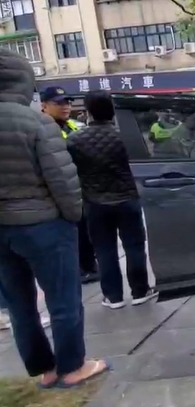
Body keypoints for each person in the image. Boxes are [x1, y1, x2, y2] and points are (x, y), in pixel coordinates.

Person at [0, 50, 109, 387]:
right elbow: (61, 179)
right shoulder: (36, 122)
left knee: (19, 306)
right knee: (62, 300)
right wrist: (73, 217)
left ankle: (45, 371)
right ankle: (73, 367)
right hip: (44, 224)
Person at [67, 90, 158, 310]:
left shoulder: (74, 139)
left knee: (104, 249)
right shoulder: (126, 136)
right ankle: (140, 290)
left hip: (94, 203)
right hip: (127, 199)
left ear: (88, 112)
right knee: (134, 247)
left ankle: (113, 296)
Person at [40, 87, 99, 285]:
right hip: (57, 190)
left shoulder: (75, 125)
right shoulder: (39, 129)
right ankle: (79, 268)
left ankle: (89, 266)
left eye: (67, 102)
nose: (66, 107)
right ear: (44, 106)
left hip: (81, 187)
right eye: (59, 103)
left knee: (85, 231)